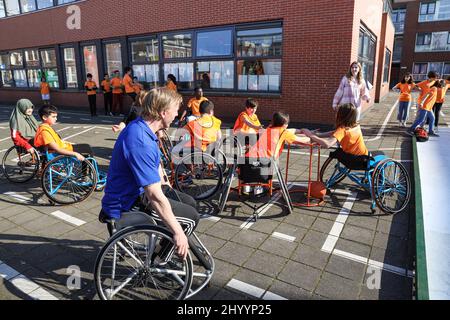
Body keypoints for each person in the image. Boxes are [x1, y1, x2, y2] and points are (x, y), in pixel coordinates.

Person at [101, 87, 200, 259]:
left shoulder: (143, 128)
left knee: (190, 202)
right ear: (163, 112)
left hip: (133, 192)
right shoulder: (140, 141)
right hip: (126, 202)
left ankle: (163, 245)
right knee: (191, 218)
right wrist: (177, 233)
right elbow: (153, 195)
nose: (177, 114)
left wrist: (165, 183)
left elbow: (154, 166)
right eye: (175, 110)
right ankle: (158, 260)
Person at [301, 103, 368, 157]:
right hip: (363, 155)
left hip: (354, 159)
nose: (335, 115)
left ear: (341, 116)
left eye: (337, 113)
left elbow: (328, 144)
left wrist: (311, 135)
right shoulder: (354, 126)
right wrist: (317, 134)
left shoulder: (342, 130)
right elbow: (333, 133)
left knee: (335, 153)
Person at [407, 71, 438, 137]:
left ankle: (430, 131)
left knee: (432, 118)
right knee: (421, 119)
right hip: (423, 104)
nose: (436, 79)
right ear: (431, 77)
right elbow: (414, 86)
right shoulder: (424, 82)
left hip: (429, 105)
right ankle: (410, 129)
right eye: (434, 78)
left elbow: (442, 82)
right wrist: (419, 89)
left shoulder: (434, 82)